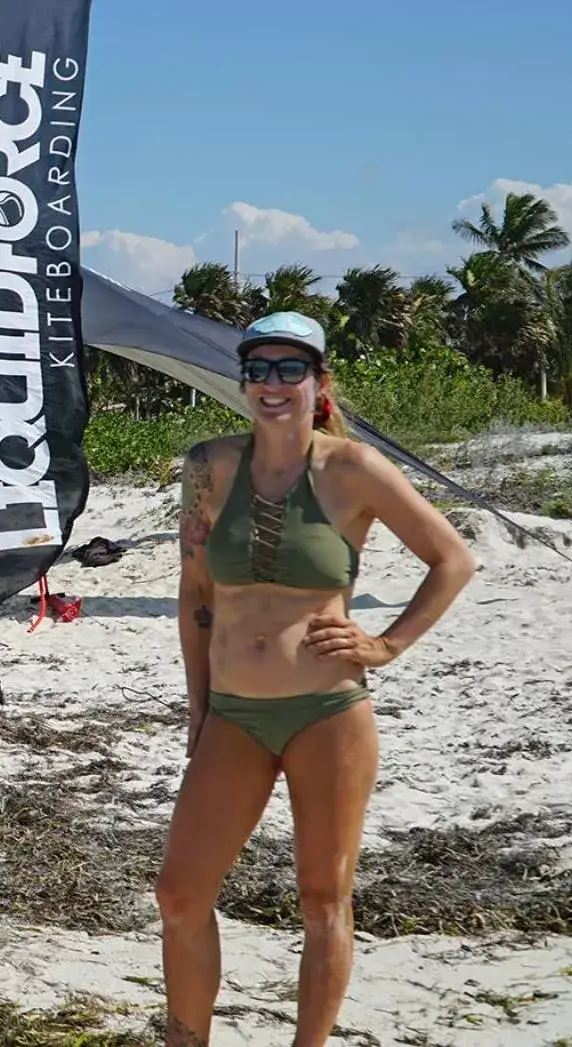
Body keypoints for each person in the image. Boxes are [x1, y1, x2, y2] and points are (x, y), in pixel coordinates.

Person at [156, 311, 476, 1047]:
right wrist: (199, 710)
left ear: (318, 381)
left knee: (324, 897)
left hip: (327, 712)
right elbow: (196, 594)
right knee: (179, 893)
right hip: (233, 714)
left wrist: (386, 643)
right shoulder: (207, 465)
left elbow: (451, 558)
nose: (272, 384)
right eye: (258, 370)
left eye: (289, 369)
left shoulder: (352, 470)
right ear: (243, 383)